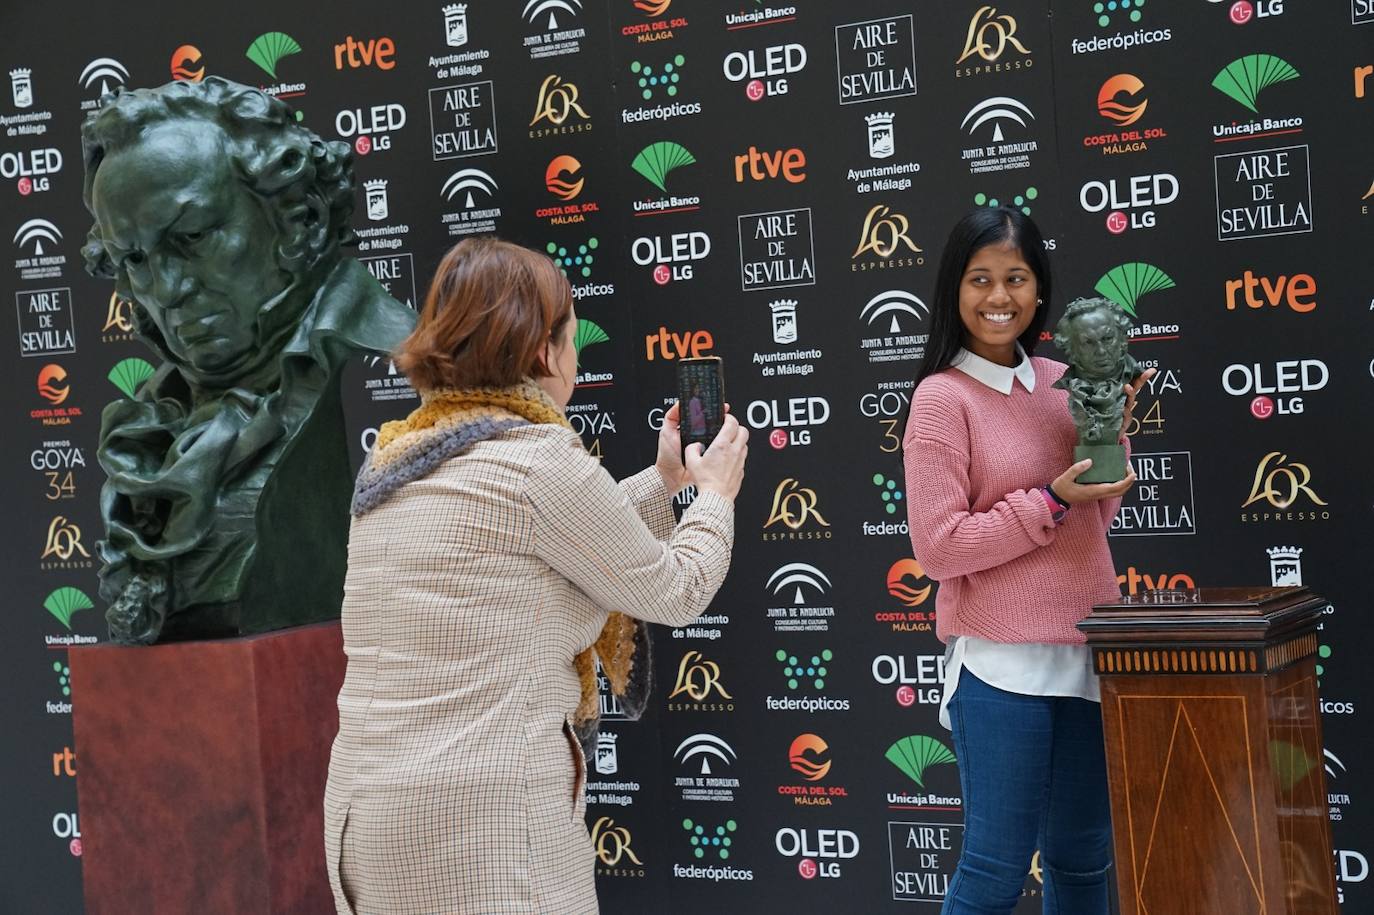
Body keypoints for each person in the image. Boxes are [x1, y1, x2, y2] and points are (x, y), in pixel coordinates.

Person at [324, 237, 748, 915]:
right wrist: (716, 493)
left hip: (364, 823)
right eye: (573, 339)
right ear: (544, 352)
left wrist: (667, 480)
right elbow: (675, 587)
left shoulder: (396, 456)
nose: (576, 359)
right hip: (481, 834)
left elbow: (555, 549)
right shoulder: (535, 460)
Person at [79, 76, 415, 643]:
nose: (165, 288)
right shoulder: (150, 427)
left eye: (191, 237)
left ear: (299, 218)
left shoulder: (402, 366)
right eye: (134, 258)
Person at [901, 207, 1154, 915]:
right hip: (999, 668)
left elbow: (1094, 516)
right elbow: (938, 546)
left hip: (1087, 658)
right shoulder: (940, 399)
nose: (998, 295)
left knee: (1083, 863)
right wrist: (1047, 499)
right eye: (980, 278)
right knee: (994, 872)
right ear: (955, 289)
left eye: (1015, 277)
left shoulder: (1062, 379)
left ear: (1039, 289)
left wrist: (1114, 440)